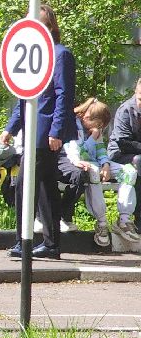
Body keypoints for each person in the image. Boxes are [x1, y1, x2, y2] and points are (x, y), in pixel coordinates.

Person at [0, 4, 75, 260]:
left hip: (45, 134)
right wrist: (11, 127)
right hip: (31, 133)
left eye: (39, 23)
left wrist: (56, 131)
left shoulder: (60, 55)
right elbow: (25, 96)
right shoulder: (36, 56)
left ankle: (26, 242)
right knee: (43, 188)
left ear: (50, 26)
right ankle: (50, 244)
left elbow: (64, 96)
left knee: (26, 186)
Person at [59, 98, 112, 248]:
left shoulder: (94, 128)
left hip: (90, 161)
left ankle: (124, 222)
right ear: (87, 118)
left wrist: (105, 163)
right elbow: (78, 149)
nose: (99, 128)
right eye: (99, 124)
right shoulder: (74, 125)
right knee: (86, 174)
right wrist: (93, 138)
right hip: (69, 158)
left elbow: (101, 148)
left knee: (128, 172)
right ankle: (65, 216)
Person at [106, 76, 141, 244]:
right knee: (139, 162)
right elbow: (123, 143)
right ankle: (137, 218)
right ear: (136, 92)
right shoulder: (126, 110)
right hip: (120, 155)